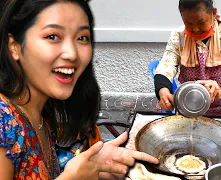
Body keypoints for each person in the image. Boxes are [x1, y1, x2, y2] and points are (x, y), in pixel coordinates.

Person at [0, 0, 158, 179]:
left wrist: (97, 165)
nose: (72, 54)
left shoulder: (41, 111)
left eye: (82, 37)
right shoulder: (3, 122)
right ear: (13, 46)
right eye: (52, 36)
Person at [154, 0, 221, 117]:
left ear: (213, 13)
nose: (195, 29)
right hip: (189, 106)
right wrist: (163, 91)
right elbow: (166, 66)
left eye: (201, 22)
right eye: (189, 23)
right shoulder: (179, 36)